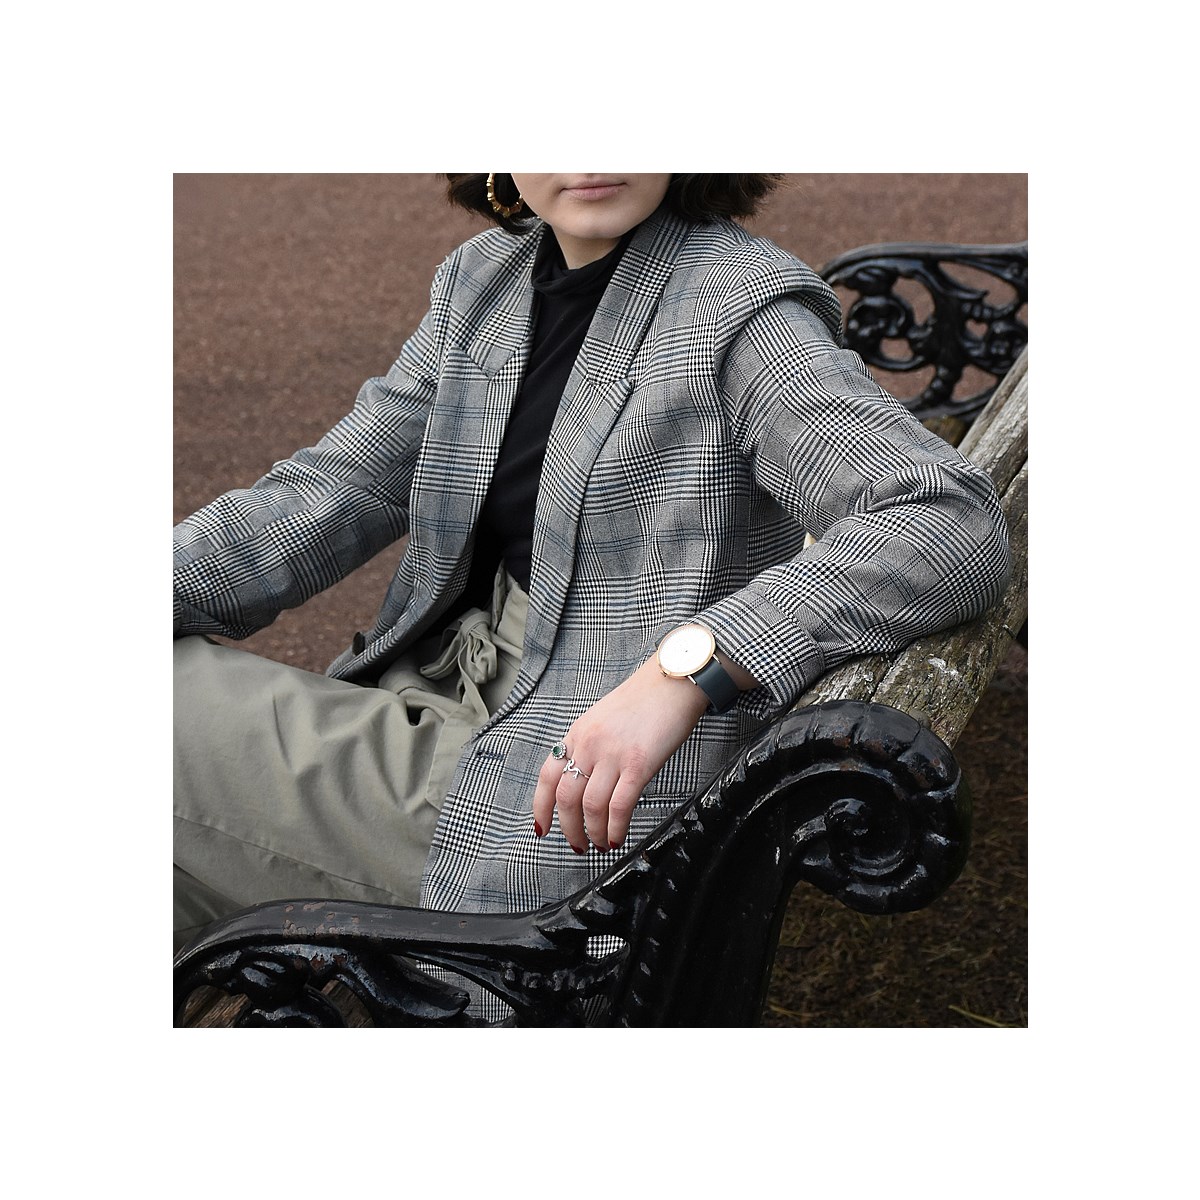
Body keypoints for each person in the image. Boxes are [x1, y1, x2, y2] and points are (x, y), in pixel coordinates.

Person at [174, 174, 1010, 967]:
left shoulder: (739, 311)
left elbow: (946, 521)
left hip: (560, 796)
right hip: (452, 706)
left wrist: (688, 670)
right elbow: (333, 491)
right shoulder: (485, 281)